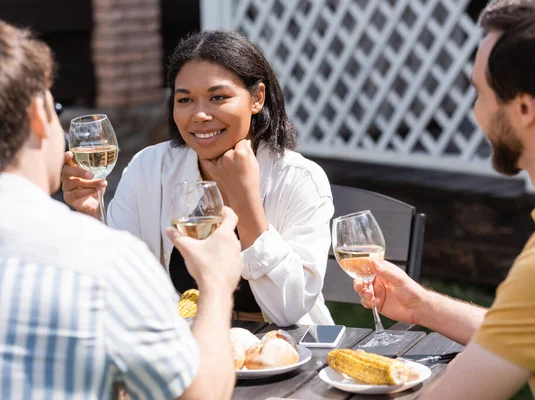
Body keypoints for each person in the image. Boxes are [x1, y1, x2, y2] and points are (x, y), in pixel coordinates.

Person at [354, 1, 535, 399]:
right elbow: (534, 323)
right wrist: (421, 306)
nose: (474, 113)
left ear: (524, 108)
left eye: (479, 93)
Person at [0, 19, 242, 399]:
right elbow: (199, 393)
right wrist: (216, 283)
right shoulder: (105, 262)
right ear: (37, 115)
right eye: (56, 107)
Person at [61, 30, 335, 326]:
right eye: (186, 100)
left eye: (218, 97)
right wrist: (91, 215)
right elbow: (119, 284)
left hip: (283, 353)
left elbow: (289, 309)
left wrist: (245, 202)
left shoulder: (300, 179)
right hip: (186, 347)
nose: (200, 115)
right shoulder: (149, 169)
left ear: (257, 98)